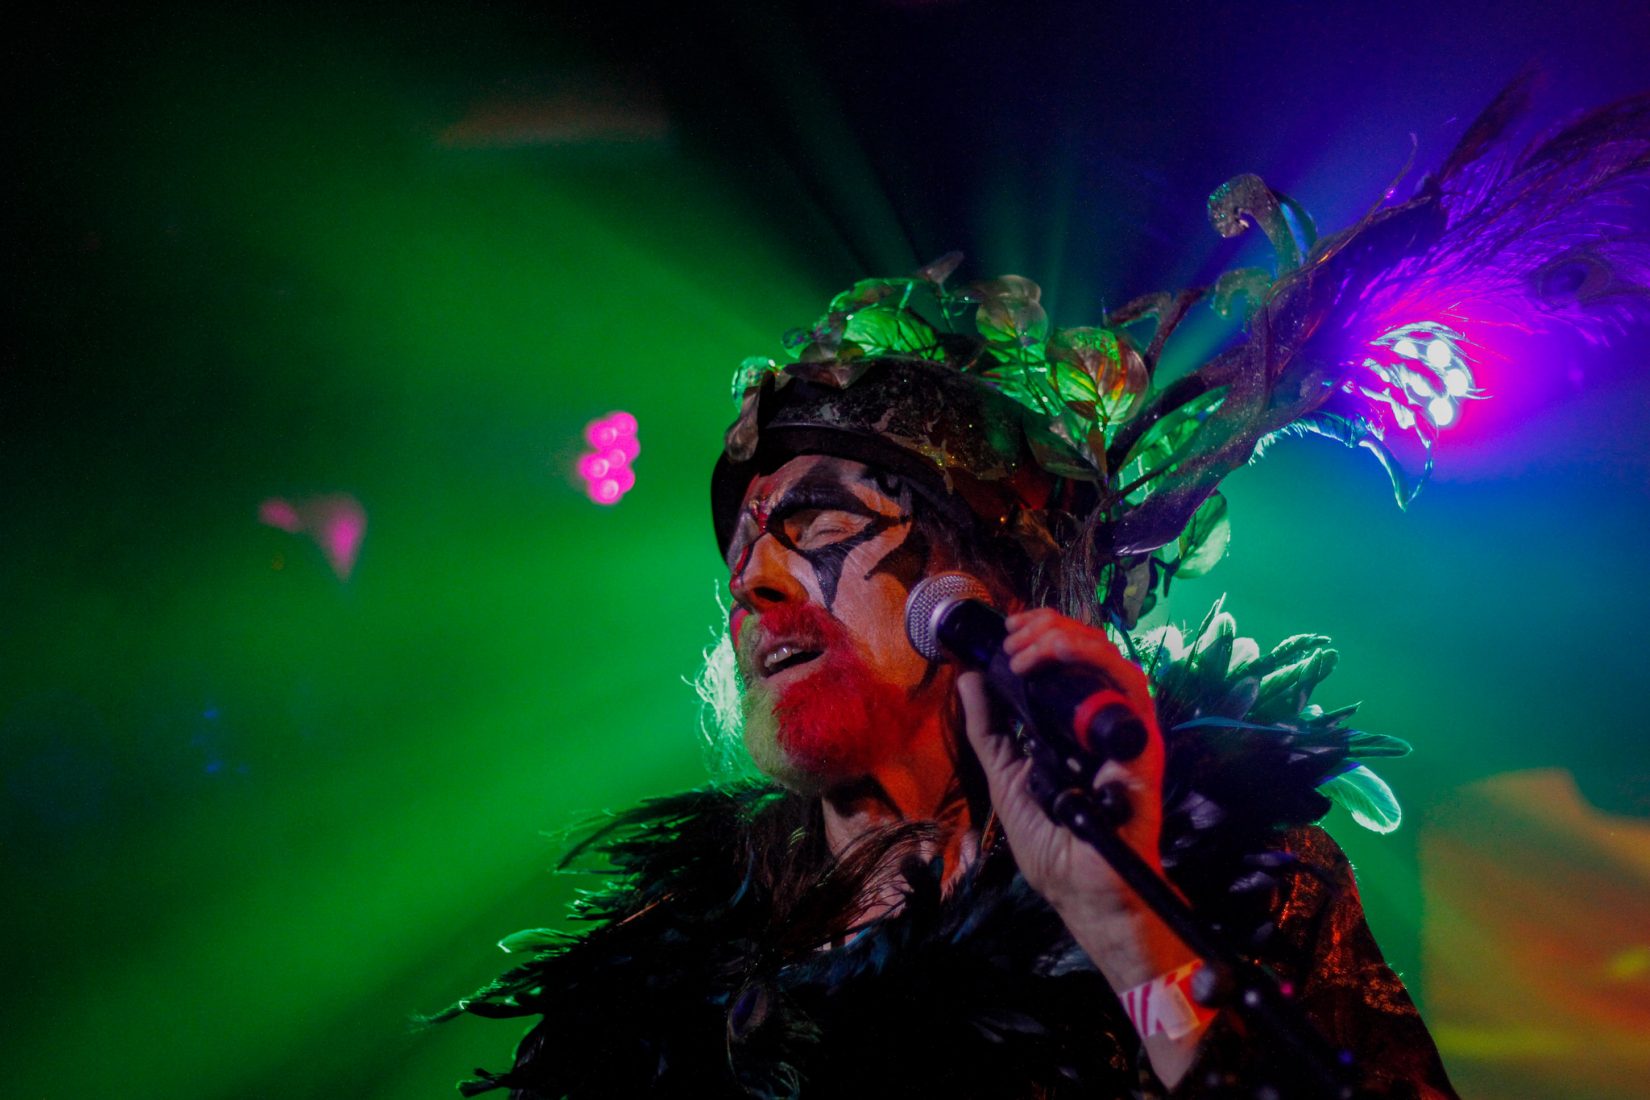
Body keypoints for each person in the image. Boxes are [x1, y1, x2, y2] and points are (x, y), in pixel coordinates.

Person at [437, 83, 1649, 1098]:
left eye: (813, 521)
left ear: (985, 574)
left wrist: (1127, 932)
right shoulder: (662, 959)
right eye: (744, 540)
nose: (751, 580)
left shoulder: (1234, 886)